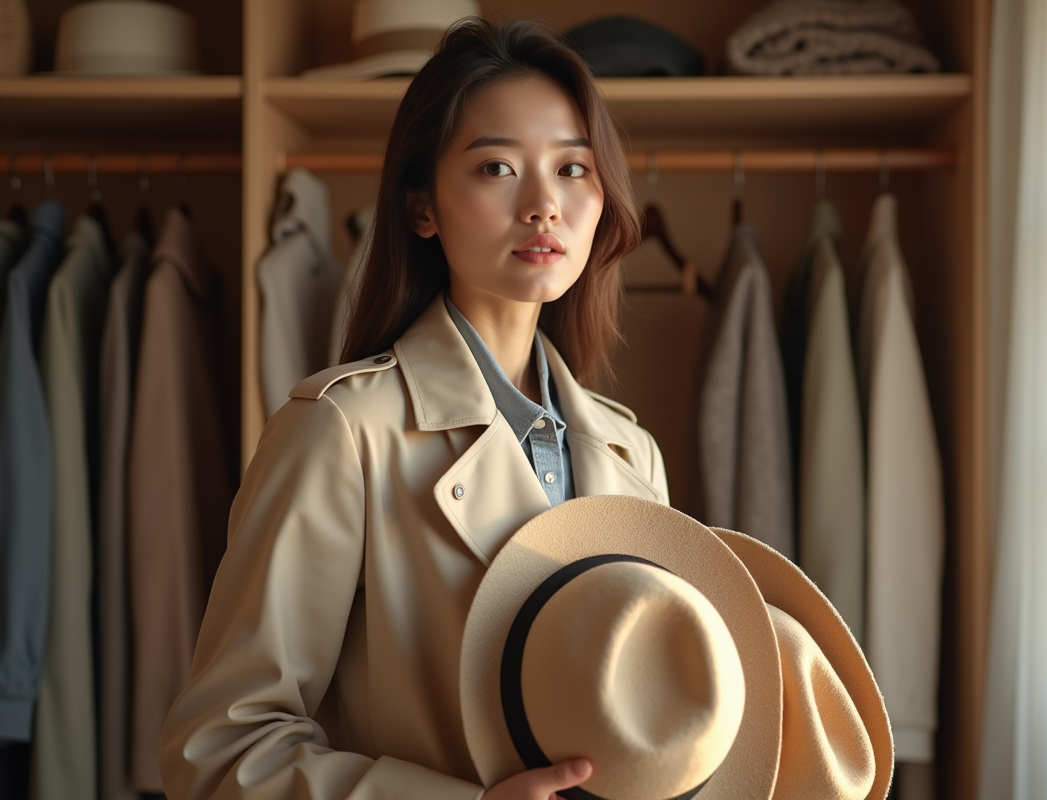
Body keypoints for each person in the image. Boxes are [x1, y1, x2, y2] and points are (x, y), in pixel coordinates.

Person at [158, 18, 670, 800]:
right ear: (422, 206)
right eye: (497, 167)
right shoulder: (342, 430)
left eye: (574, 168)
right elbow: (221, 748)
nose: (544, 204)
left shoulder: (633, 453)